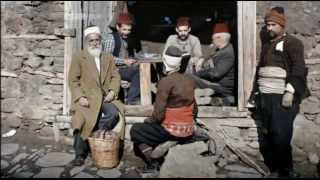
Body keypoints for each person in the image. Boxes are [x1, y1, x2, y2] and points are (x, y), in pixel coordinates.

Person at [249, 6, 310, 177]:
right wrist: (255, 94)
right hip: (266, 96)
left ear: (282, 25)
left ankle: (286, 170)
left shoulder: (293, 43)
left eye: (273, 25)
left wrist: (289, 91)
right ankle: (274, 169)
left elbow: (298, 68)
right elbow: (261, 69)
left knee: (280, 133)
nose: (269, 28)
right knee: (268, 132)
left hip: (282, 95)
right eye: (267, 25)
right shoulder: (268, 45)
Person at [130, 46, 198, 172]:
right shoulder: (190, 80)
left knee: (136, 130)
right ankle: (170, 142)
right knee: (154, 128)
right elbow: (195, 110)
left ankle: (153, 162)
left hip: (172, 130)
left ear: (165, 62)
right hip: (188, 129)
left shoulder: (165, 82)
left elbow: (158, 115)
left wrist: (148, 121)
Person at [68, 26, 125, 166]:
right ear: (86, 41)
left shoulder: (108, 57)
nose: (94, 43)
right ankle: (80, 155)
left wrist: (112, 91)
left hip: (105, 97)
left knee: (113, 114)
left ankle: (94, 134)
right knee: (80, 119)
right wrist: (80, 97)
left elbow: (115, 76)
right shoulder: (79, 57)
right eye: (91, 40)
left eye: (97, 40)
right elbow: (73, 80)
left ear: (101, 40)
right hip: (86, 97)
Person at [187, 22, 235, 106]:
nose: (212, 41)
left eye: (213, 39)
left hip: (222, 87)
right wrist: (202, 60)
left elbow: (215, 74)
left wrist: (199, 73)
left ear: (219, 38)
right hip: (215, 84)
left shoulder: (228, 53)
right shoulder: (220, 50)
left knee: (188, 77)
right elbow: (208, 59)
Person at [102, 12, 140, 105]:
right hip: (111, 70)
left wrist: (133, 60)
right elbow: (107, 59)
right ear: (118, 27)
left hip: (122, 69)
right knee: (137, 72)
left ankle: (131, 98)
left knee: (142, 69)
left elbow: (127, 54)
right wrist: (124, 61)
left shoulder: (128, 39)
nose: (127, 32)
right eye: (124, 29)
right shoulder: (111, 39)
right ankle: (132, 100)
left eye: (129, 30)